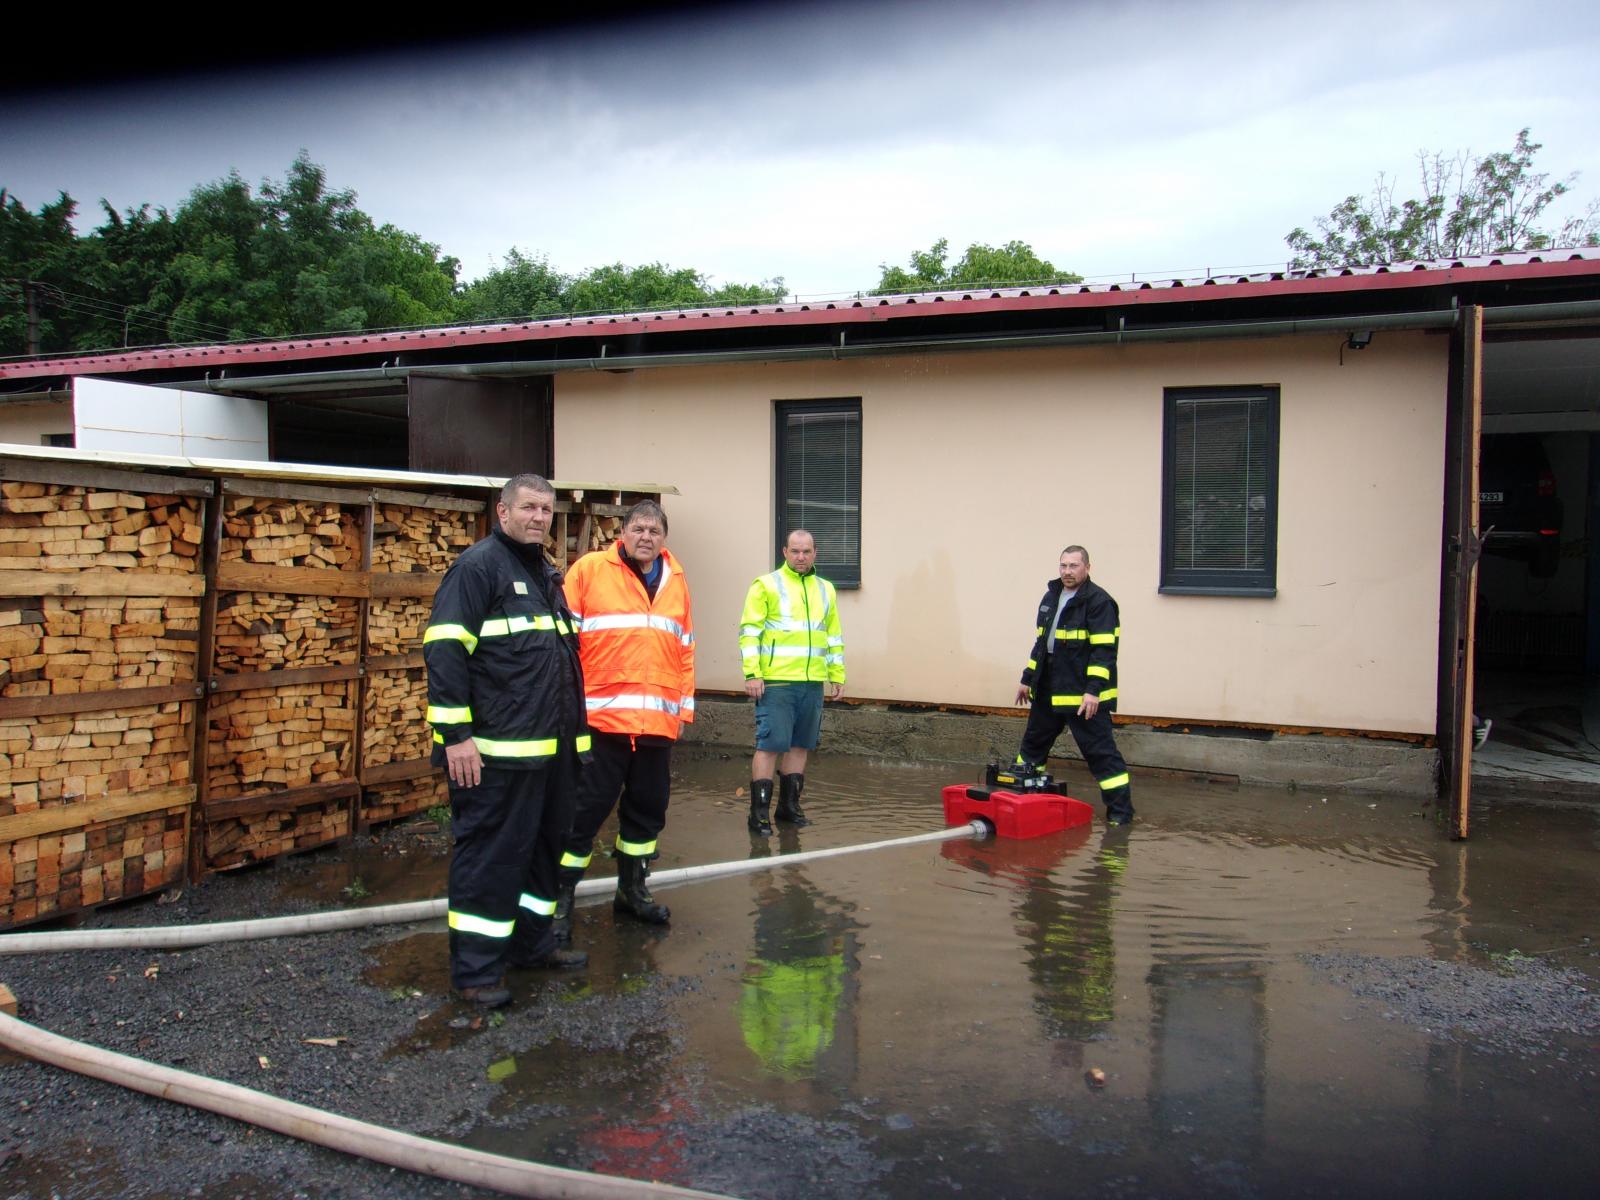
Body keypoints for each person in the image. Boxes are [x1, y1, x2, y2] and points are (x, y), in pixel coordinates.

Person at [423, 473, 590, 1008]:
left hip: (553, 755)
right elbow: (445, 649)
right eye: (528, 508)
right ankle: (475, 974)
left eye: (546, 509)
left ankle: (531, 946)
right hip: (496, 757)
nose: (539, 517)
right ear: (502, 513)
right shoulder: (478, 569)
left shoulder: (545, 573)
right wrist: (456, 736)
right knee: (491, 860)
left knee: (544, 855)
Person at [554, 500, 695, 943]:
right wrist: (566, 707)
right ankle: (559, 903)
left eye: (655, 530)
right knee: (582, 814)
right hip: (601, 723)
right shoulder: (589, 571)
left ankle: (632, 892)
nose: (646, 537)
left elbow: (685, 648)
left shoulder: (677, 581)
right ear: (623, 532)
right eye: (638, 528)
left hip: (655, 726)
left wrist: (682, 712)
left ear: (664, 538)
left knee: (647, 814)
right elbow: (562, 643)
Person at [1012, 545, 1133, 825]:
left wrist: (1093, 691)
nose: (1067, 571)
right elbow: (1042, 645)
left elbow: (1104, 652)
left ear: (1087, 568)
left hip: (1081, 694)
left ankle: (1121, 817)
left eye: (1073, 566)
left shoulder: (1099, 601)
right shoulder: (1051, 596)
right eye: (1063, 566)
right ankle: (1023, 803)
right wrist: (1027, 679)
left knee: (1101, 755)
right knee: (1031, 748)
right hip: (1047, 688)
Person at [739, 529, 845, 834]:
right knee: (770, 745)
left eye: (806, 551)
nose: (801, 557)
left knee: (800, 745)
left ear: (815, 554)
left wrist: (836, 675)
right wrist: (753, 673)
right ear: (785, 552)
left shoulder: (826, 589)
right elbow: (749, 632)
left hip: (812, 682)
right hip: (776, 682)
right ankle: (758, 814)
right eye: (795, 551)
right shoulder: (766, 585)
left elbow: (833, 636)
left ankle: (788, 808)